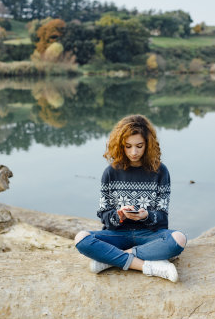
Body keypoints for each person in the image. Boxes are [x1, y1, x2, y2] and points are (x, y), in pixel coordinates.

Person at [74, 114, 187, 282]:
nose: (134, 152)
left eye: (139, 146)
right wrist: (118, 215)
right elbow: (104, 214)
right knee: (81, 238)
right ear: (120, 146)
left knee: (179, 239)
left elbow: (162, 216)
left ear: (148, 145)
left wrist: (146, 215)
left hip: (149, 236)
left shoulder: (160, 171)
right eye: (128, 146)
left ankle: (111, 260)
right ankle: (148, 266)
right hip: (118, 236)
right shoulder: (110, 172)